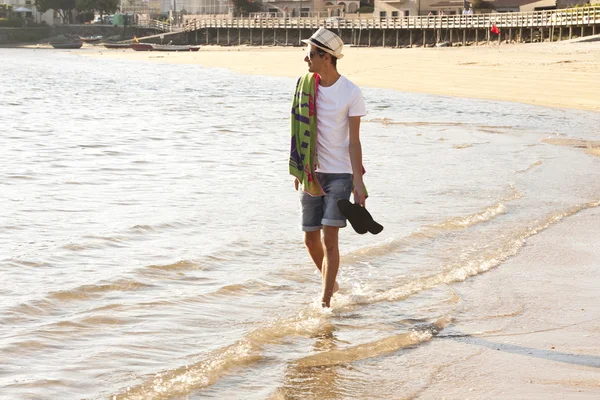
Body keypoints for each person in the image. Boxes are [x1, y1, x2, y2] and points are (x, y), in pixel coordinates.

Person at [289, 28, 367, 308]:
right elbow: (298, 129)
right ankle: (331, 283)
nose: (305, 59)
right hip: (312, 172)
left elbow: (354, 142)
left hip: (340, 175)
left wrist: (358, 184)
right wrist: (299, 167)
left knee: (329, 239)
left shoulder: (350, 92)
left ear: (326, 57)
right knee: (310, 239)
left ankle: (325, 303)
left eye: (310, 54)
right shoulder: (305, 85)